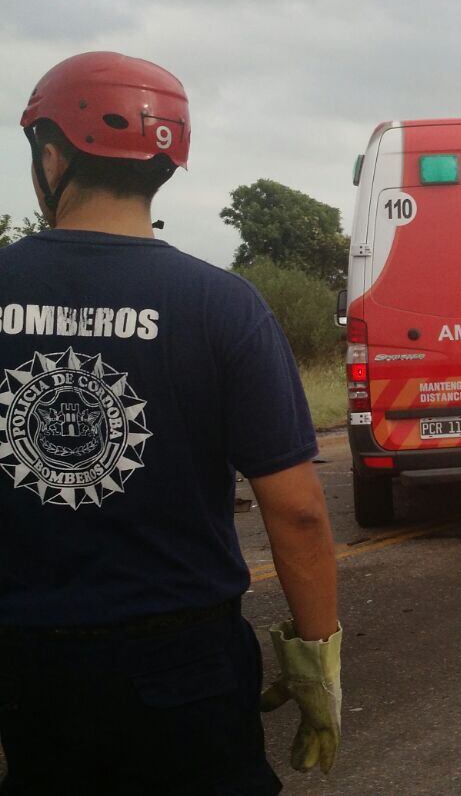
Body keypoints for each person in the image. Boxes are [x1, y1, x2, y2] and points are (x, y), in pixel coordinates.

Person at [1, 52, 341, 792]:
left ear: (51, 155)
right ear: (161, 167)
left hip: (26, 668)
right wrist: (317, 663)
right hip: (184, 664)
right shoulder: (224, 306)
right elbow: (299, 513)